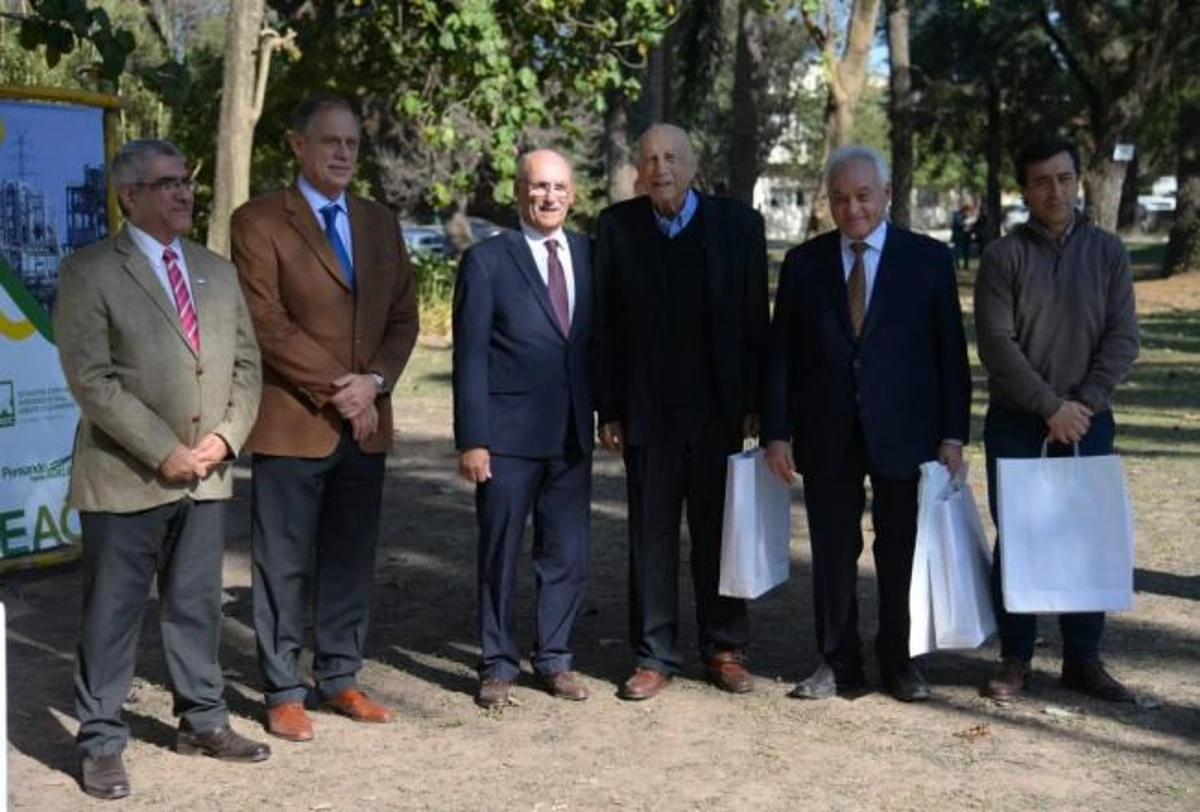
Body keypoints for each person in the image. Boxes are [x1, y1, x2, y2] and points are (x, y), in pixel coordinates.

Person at [55, 139, 267, 800]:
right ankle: (100, 740)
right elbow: (92, 380)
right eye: (167, 183)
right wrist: (162, 449)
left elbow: (245, 368)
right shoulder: (89, 271)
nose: (183, 192)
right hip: (126, 478)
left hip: (207, 476)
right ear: (129, 196)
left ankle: (201, 720)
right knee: (112, 614)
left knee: (195, 606)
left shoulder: (216, 270)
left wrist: (225, 441)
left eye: (186, 181)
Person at [230, 93, 420, 741]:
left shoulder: (379, 222)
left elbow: (402, 317)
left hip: (365, 427)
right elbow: (266, 322)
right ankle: (283, 688)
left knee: (348, 557)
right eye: (330, 141)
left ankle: (339, 676)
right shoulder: (258, 221)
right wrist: (340, 390)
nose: (342, 153)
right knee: (281, 562)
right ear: (297, 145)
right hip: (294, 423)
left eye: (352, 144)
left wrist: (372, 385)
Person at [764, 146, 971, 703]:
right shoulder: (804, 265)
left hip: (906, 432)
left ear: (886, 196)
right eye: (839, 198)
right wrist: (776, 432)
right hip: (826, 429)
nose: (851, 208)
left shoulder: (927, 259)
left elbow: (951, 352)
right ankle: (836, 660)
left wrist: (953, 434)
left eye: (861, 195)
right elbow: (782, 355)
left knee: (899, 548)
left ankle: (898, 659)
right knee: (832, 550)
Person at [593, 124, 770, 701]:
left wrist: (755, 404)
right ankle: (653, 654)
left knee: (721, 533)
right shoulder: (617, 228)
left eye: (672, 157)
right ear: (638, 171)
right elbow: (606, 329)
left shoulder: (738, 225)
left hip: (718, 412)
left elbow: (753, 321)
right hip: (648, 413)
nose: (660, 167)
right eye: (650, 159)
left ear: (694, 165)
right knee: (651, 538)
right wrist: (610, 408)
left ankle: (724, 647)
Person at [974, 136, 1139, 703]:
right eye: (1042, 181)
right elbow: (997, 344)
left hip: (1090, 421)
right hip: (1018, 422)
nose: (1056, 191)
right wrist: (1048, 406)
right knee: (1018, 539)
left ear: (1078, 181)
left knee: (1087, 537)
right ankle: (1016, 658)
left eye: (1065, 178)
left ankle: (1083, 659)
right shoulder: (1002, 257)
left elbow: (1123, 337)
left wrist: (1081, 405)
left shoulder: (1109, 252)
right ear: (1024, 189)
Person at [452, 149, 594, 708]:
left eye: (559, 186)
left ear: (573, 194)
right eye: (539, 186)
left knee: (567, 554)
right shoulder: (488, 260)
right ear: (520, 192)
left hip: (571, 433)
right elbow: (469, 357)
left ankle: (555, 658)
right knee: (500, 553)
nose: (550, 196)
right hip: (505, 439)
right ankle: (497, 662)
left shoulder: (588, 254)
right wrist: (473, 438)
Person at [951, 203, 973, 270]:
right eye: (968, 211)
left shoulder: (964, 216)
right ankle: (957, 265)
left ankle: (966, 265)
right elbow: (960, 224)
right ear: (965, 210)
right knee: (958, 251)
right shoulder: (958, 216)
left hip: (965, 236)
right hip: (959, 236)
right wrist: (967, 224)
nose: (969, 213)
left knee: (966, 251)